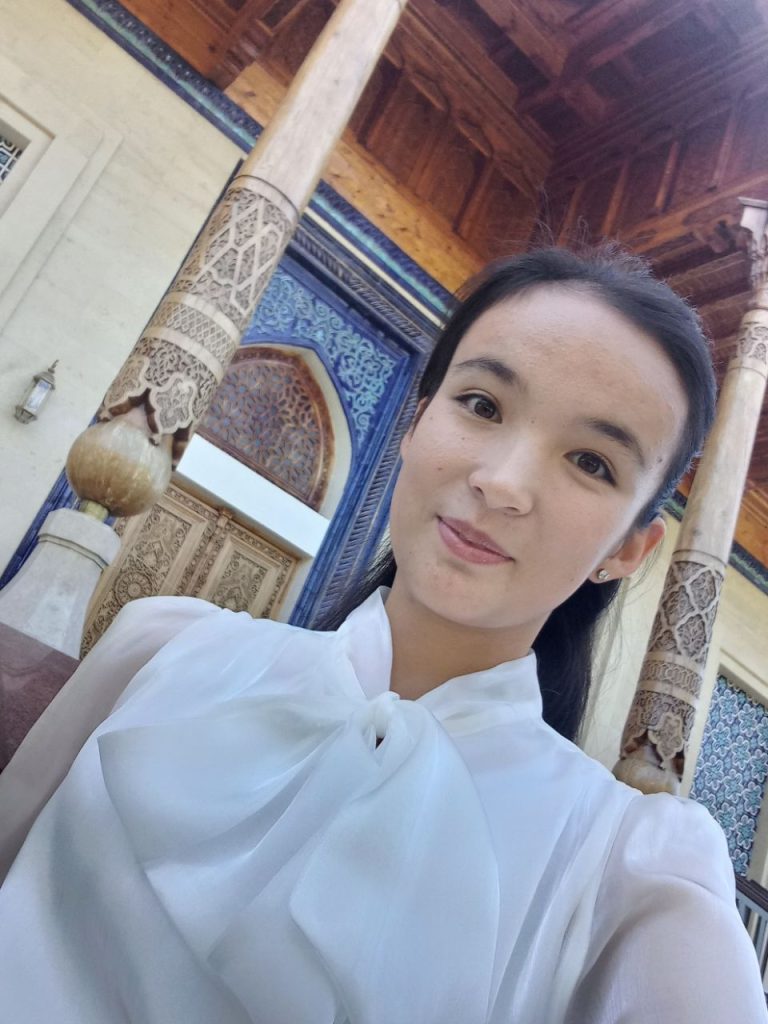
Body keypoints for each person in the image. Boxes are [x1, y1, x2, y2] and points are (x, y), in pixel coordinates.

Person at [0, 246, 765, 1023]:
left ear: (628, 550)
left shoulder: (630, 877)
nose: (502, 481)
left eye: (592, 462)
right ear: (416, 419)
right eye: (482, 405)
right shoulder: (159, 649)